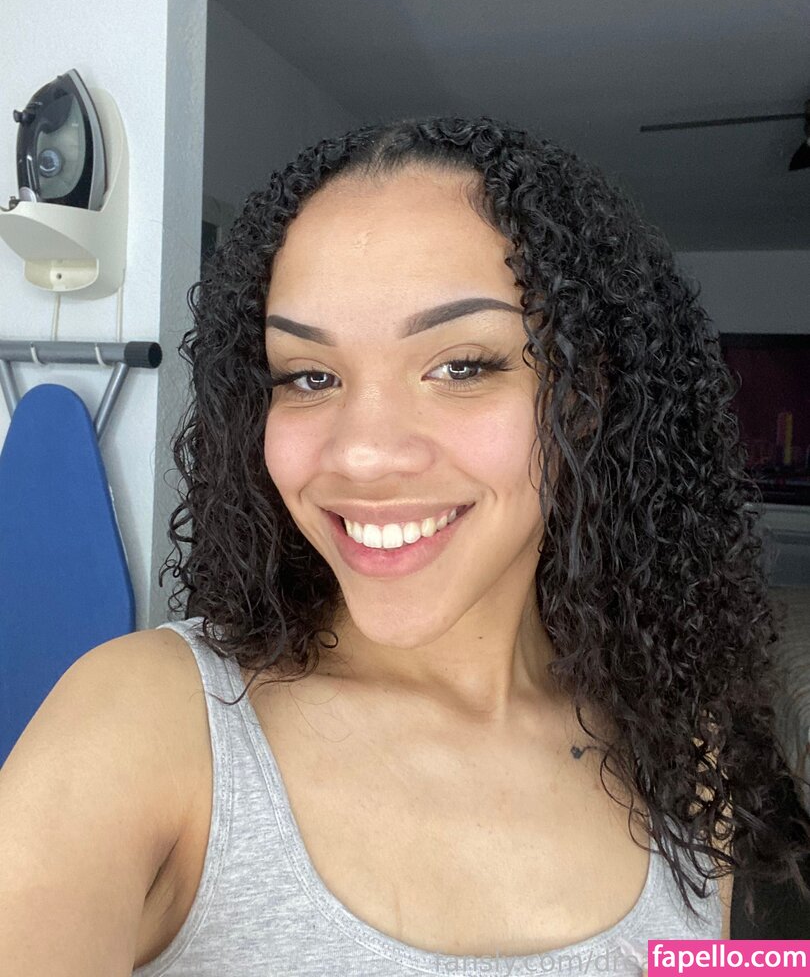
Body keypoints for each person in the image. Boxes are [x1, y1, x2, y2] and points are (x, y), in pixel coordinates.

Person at [2, 117, 808, 976]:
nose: (362, 454)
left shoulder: (689, 752)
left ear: (584, 398)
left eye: (461, 366)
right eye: (309, 376)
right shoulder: (147, 723)